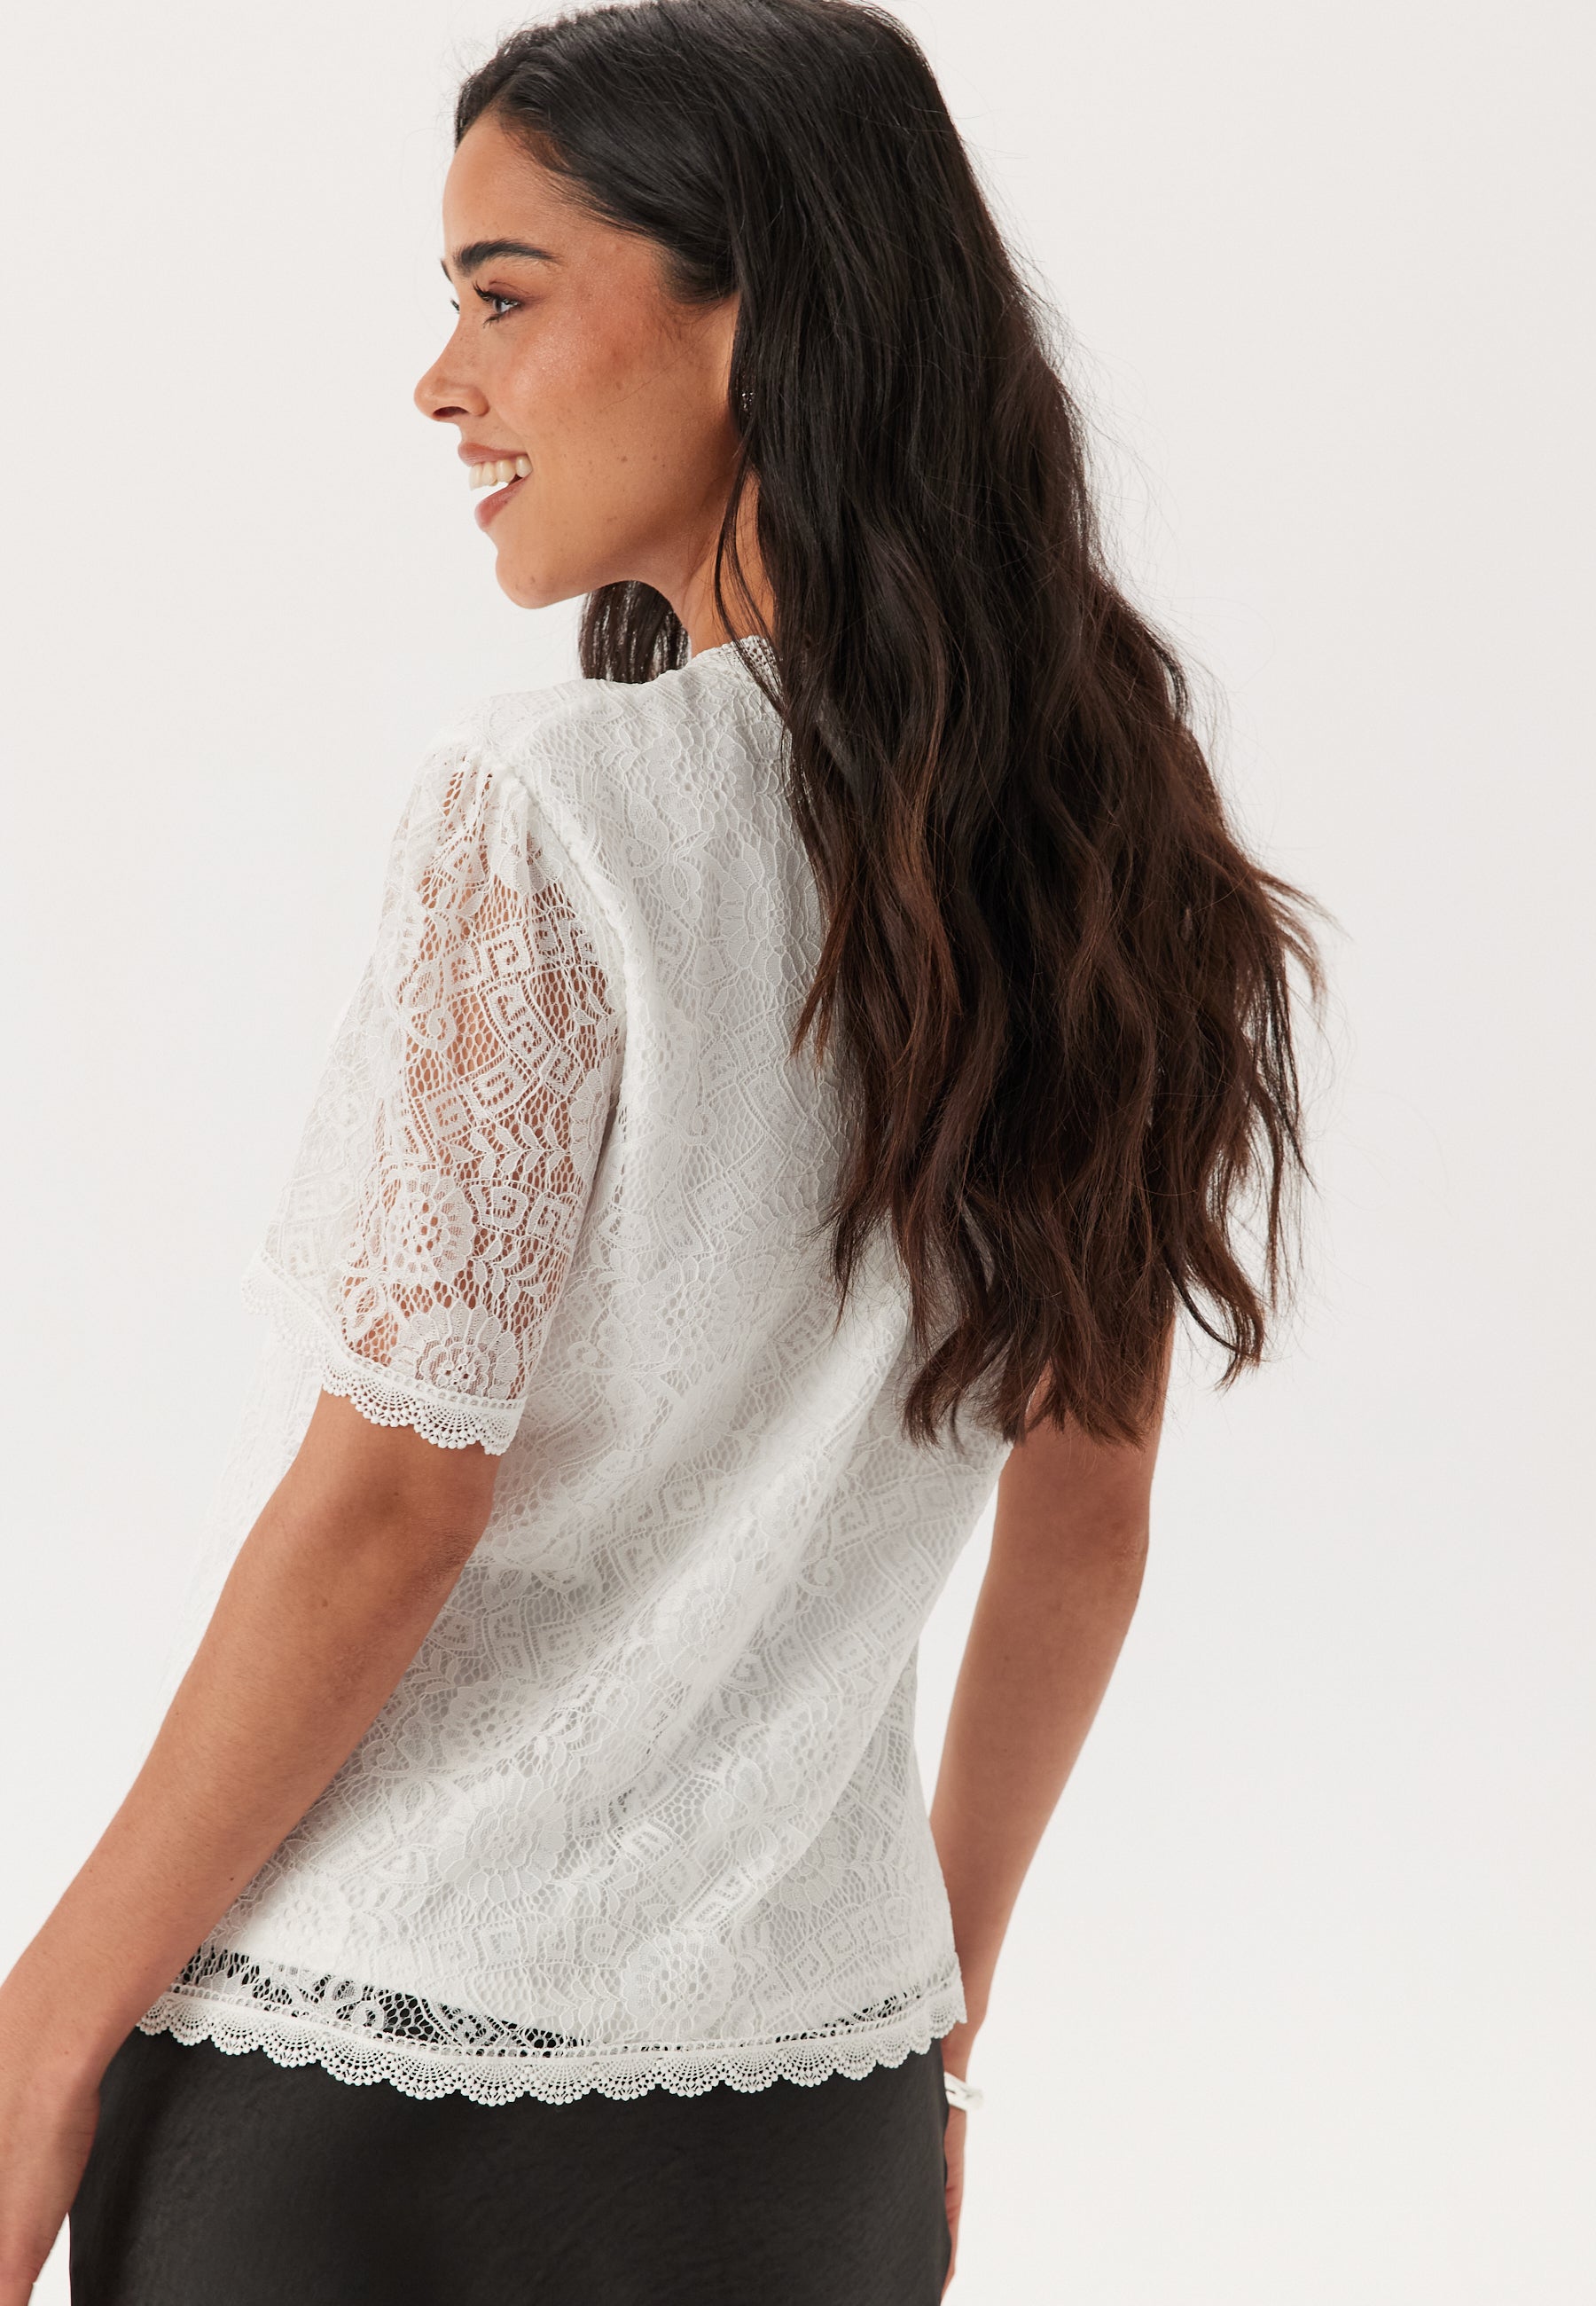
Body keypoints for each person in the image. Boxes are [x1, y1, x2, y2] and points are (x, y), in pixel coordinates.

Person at [0, 2, 1319, 2299]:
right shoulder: (1118, 857)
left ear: (754, 316)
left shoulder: (563, 818)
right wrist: (938, 2031)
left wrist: (40, 2035)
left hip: (371, 2095)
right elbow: (1089, 1511)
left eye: (502, 295)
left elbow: (387, 1510)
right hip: (816, 2116)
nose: (442, 382)